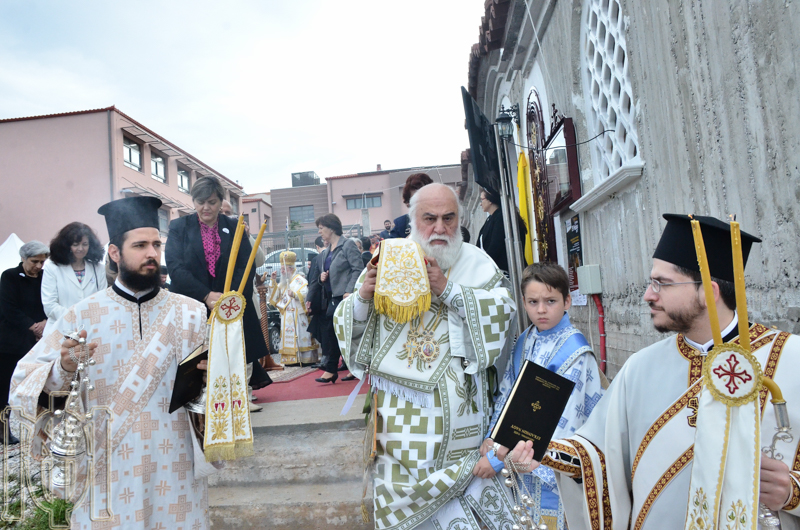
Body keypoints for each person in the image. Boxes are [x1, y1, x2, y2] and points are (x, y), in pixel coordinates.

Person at [535, 214, 800, 529]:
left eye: (661, 283)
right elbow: (597, 453)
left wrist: (792, 492)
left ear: (709, 291)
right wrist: (538, 448)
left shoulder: (791, 359)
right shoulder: (640, 368)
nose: (648, 294)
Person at [8, 197, 215, 529]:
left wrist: (213, 379)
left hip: (175, 460)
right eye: (140, 245)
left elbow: (211, 392)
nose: (152, 253)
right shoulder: (81, 315)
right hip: (108, 463)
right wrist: (64, 368)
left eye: (156, 244)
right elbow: (24, 381)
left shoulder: (191, 312)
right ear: (115, 253)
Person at [335, 183, 529, 529]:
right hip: (399, 417)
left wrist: (447, 289)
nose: (440, 228)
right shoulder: (387, 259)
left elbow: (502, 314)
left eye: (448, 218)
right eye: (430, 218)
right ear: (413, 220)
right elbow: (350, 329)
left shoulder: (477, 262)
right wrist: (363, 296)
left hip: (462, 416)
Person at [472, 262, 605, 529]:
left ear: (567, 301)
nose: (541, 310)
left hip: (549, 469)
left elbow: (565, 421)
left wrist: (500, 457)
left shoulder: (576, 352)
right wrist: (492, 438)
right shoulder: (525, 339)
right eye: (533, 302)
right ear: (523, 302)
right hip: (515, 460)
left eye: (550, 301)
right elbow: (508, 392)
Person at [165, 176, 274, 412]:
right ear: (193, 201)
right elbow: (175, 267)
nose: (206, 207)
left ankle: (238, 398)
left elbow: (246, 265)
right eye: (200, 202)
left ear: (220, 201)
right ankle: (198, 400)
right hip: (193, 302)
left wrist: (228, 297)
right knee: (197, 355)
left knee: (236, 350)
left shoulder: (234, 227)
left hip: (231, 302)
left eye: (212, 202)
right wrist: (206, 295)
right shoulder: (179, 227)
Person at [0, 240, 49, 446]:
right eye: (34, 261)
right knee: (4, 387)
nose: (38, 266)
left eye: (42, 262)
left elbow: (50, 302)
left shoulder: (46, 277)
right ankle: (3, 429)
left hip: (39, 340)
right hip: (11, 341)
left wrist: (46, 323)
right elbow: (8, 307)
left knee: (42, 387)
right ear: (23, 258)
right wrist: (33, 326)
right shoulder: (10, 276)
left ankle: (43, 429)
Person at [314, 213, 362, 383]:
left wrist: (349, 290)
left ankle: (334, 369)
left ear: (331, 228)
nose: (319, 232)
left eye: (321, 228)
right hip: (331, 297)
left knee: (338, 332)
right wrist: (322, 278)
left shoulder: (347, 245)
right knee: (335, 332)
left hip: (344, 297)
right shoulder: (328, 250)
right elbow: (330, 271)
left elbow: (358, 269)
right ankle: (341, 368)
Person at [41, 222, 107, 338]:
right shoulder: (52, 267)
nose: (80, 249)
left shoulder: (98, 268)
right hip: (60, 331)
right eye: (75, 244)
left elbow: (103, 300)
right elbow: (50, 305)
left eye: (85, 244)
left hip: (91, 330)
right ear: (66, 245)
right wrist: (76, 317)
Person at [267, 251, 320, 366]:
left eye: (283, 269)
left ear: (290, 269)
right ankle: (290, 360)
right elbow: (274, 298)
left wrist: (295, 295)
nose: (281, 271)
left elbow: (306, 293)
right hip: (286, 315)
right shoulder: (283, 282)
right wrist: (272, 281)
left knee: (301, 335)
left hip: (298, 314)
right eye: (281, 268)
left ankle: (304, 359)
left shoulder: (299, 280)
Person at [477, 187, 527, 275]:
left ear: (490, 200)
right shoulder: (491, 219)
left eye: (482, 200)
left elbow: (496, 246)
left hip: (507, 271)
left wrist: (483, 264)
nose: (480, 204)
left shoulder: (501, 217)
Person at [389, 172, 433, 238]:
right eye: (416, 200)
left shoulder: (444, 220)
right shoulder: (401, 225)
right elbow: (391, 244)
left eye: (426, 198)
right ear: (408, 203)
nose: (422, 205)